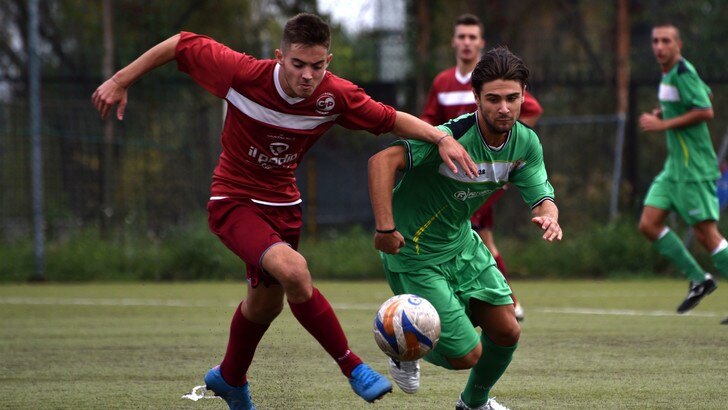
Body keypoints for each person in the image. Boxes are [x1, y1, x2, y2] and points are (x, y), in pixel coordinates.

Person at [92, 13, 479, 409]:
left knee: (265, 305)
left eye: (317, 65)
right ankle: (353, 367)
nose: (307, 75)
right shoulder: (241, 73)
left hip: (284, 206)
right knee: (295, 270)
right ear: (280, 56)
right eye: (297, 64)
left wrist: (440, 138)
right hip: (234, 202)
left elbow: (390, 119)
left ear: (328, 61)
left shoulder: (335, 96)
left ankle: (230, 378)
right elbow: (180, 42)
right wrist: (120, 79)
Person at [369, 46, 562, 410]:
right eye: (493, 99)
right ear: (476, 98)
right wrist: (384, 227)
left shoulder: (525, 143)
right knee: (467, 355)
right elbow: (382, 161)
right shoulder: (449, 136)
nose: (504, 108)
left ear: (524, 96)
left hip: (462, 245)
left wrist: (549, 214)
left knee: (507, 331)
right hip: (415, 252)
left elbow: (541, 195)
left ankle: (473, 404)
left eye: (512, 98)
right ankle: (401, 348)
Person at [421, 14, 544, 322]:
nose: (466, 42)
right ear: (454, 42)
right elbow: (428, 124)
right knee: (484, 238)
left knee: (473, 232)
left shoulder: (497, 81)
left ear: (480, 43)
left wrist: (507, 158)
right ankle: (505, 301)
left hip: (486, 178)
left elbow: (531, 111)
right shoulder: (443, 82)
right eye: (461, 36)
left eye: (472, 37)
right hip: (453, 177)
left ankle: (498, 301)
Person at [638, 23, 728, 324]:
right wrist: (665, 112)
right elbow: (707, 95)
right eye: (655, 41)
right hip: (674, 168)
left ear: (679, 45)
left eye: (666, 41)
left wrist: (662, 124)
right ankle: (698, 279)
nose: (659, 46)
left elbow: (706, 109)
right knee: (649, 223)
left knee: (707, 235)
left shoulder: (684, 71)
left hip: (694, 168)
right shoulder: (670, 74)